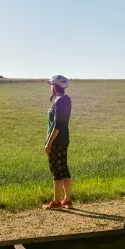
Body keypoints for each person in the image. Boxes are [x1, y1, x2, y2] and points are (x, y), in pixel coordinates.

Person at [43, 75, 72, 209]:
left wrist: (48, 144)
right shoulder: (66, 99)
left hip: (56, 141)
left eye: (51, 85)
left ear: (54, 87)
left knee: (56, 171)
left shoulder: (60, 102)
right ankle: (67, 200)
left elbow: (57, 125)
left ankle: (56, 202)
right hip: (64, 139)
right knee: (64, 168)